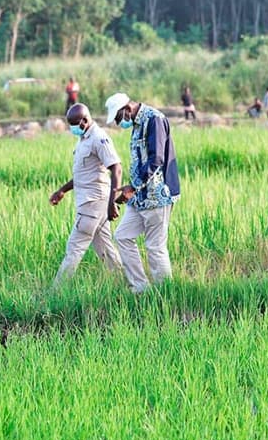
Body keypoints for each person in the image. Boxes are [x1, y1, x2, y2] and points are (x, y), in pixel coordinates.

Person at [104, 92, 180, 293]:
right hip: (139, 198)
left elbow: (156, 159)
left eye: (119, 118)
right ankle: (141, 287)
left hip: (157, 195)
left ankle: (166, 293)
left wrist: (132, 186)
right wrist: (131, 190)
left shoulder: (154, 120)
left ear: (127, 110)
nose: (120, 124)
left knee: (155, 247)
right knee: (122, 236)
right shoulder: (137, 125)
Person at [49, 103, 123, 283]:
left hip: (93, 203)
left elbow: (117, 168)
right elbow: (84, 175)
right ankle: (126, 282)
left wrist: (113, 201)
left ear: (84, 120)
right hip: (92, 202)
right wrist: (62, 191)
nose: (72, 128)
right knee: (105, 247)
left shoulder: (99, 138)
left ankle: (57, 291)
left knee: (74, 248)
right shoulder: (83, 138)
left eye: (74, 124)